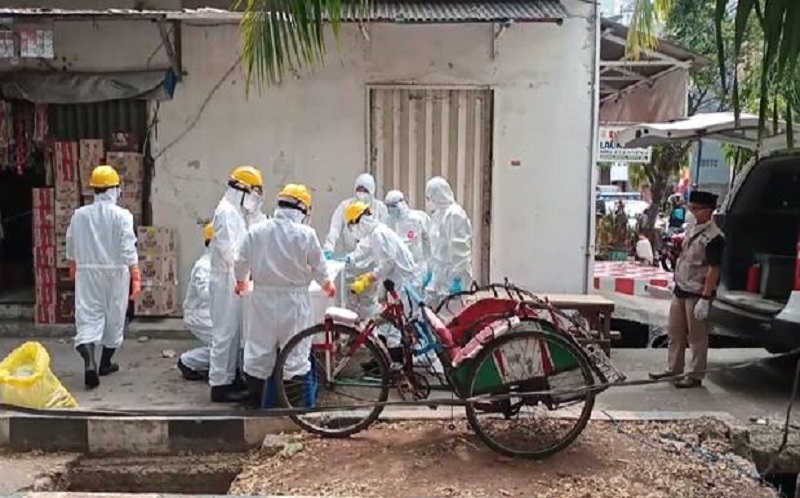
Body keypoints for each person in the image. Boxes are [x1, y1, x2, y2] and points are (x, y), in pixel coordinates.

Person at [234, 184, 336, 407]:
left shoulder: (257, 231)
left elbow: (240, 261)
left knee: (258, 354)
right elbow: (319, 265)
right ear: (302, 209)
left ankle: (256, 405)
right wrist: (327, 285)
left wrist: (241, 281)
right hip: (294, 302)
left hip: (262, 300)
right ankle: (296, 410)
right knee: (295, 355)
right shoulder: (305, 234)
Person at [66, 165, 140, 389]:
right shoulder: (122, 216)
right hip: (116, 274)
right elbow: (128, 246)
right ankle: (105, 363)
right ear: (114, 189)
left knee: (88, 316)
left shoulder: (79, 215)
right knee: (114, 318)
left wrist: (72, 265)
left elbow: (70, 242)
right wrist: (136, 274)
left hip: (87, 273)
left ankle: (90, 362)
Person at [649, 190, 725, 388]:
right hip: (681, 289)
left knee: (697, 337)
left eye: (695, 209)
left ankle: (695, 375)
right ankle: (673, 368)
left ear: (708, 210)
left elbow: (714, 269)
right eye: (690, 208)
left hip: (697, 293)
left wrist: (705, 298)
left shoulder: (715, 237)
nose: (691, 212)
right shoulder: (691, 229)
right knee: (675, 332)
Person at [209, 165, 264, 402]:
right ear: (242, 189)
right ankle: (220, 385)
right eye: (254, 193)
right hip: (225, 279)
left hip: (233, 278)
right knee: (224, 333)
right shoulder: (226, 212)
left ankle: (230, 377)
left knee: (234, 332)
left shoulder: (235, 212)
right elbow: (227, 250)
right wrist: (245, 271)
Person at [346, 201, 416, 360]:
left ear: (360, 221)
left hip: (401, 284)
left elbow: (387, 263)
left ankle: (395, 363)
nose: (353, 230)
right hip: (395, 283)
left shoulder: (378, 234)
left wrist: (368, 279)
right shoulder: (376, 233)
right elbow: (365, 252)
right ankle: (382, 361)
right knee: (387, 326)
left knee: (396, 328)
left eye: (352, 225)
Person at [424, 176, 473, 305]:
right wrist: (430, 271)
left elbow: (460, 250)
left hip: (453, 274)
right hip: (438, 272)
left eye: (430, 197)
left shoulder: (455, 214)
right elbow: (434, 247)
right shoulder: (438, 215)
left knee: (451, 310)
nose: (428, 201)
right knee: (432, 309)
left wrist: (457, 279)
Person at [178, 223, 214, 381]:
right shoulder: (204, 266)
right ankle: (188, 361)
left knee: (231, 343)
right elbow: (204, 293)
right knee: (224, 345)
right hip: (200, 314)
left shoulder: (221, 263)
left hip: (213, 313)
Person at [323, 173, 389, 258]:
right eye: (359, 189)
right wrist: (329, 247)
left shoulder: (380, 208)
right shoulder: (345, 206)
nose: (361, 193)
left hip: (372, 258)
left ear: (372, 191)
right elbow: (334, 228)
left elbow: (381, 234)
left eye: (365, 191)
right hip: (349, 254)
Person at [384, 190, 431, 290]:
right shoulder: (388, 222)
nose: (390, 209)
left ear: (402, 203)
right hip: (398, 271)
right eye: (388, 206)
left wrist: (430, 267)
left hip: (417, 269)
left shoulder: (419, 218)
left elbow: (430, 242)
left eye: (393, 206)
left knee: (417, 296)